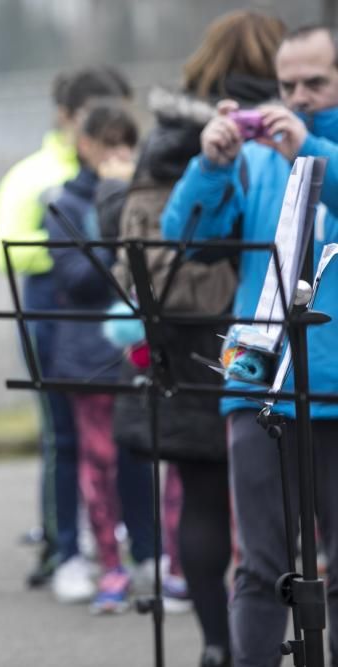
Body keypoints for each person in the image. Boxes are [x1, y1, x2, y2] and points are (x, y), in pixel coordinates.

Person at [107, 11, 285, 666]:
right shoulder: (281, 129)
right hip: (264, 334)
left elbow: (144, 255)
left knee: (202, 495)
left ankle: (216, 643)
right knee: (287, 501)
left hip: (183, 340)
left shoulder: (166, 138)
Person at [163, 24, 338, 667]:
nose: (300, 96)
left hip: (334, 382)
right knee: (260, 569)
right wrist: (209, 166)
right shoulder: (259, 156)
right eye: (288, 85)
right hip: (259, 378)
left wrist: (313, 150)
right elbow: (188, 238)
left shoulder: (306, 146)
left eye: (316, 83)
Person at [0, 66, 134, 593]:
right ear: (68, 118)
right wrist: (76, 258)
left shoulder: (123, 168)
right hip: (54, 319)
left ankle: (126, 541)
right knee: (64, 439)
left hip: (116, 321)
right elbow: (5, 249)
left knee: (127, 438)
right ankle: (62, 545)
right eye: (94, 119)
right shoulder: (33, 175)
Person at [43, 98, 156, 615]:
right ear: (84, 146)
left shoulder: (148, 197)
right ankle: (108, 563)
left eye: (125, 145)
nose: (117, 155)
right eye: (107, 144)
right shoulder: (64, 204)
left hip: (141, 348)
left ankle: (152, 556)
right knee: (99, 461)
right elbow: (78, 279)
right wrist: (114, 221)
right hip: (89, 352)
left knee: (144, 455)